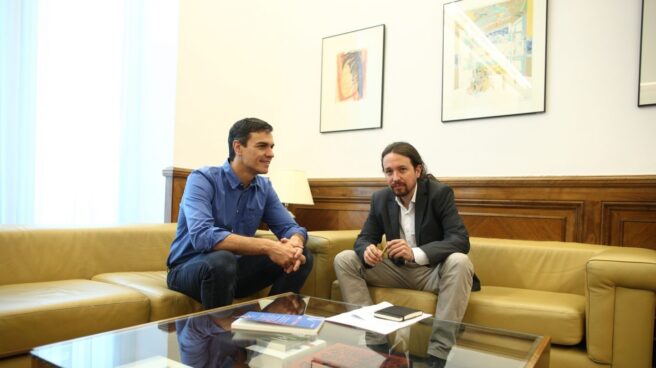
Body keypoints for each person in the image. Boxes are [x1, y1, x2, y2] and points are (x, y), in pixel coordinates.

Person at [333, 141, 480, 366]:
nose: (395, 178)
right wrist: (368, 250)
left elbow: (460, 240)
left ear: (418, 170)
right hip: (397, 271)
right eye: (389, 171)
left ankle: (438, 356)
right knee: (345, 259)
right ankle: (376, 344)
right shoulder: (381, 198)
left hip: (432, 272)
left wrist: (415, 253)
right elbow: (363, 239)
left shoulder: (439, 193)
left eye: (402, 170)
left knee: (460, 261)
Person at [167, 117, 313, 309]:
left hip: (233, 271)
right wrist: (268, 247)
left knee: (302, 257)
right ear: (238, 147)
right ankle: (217, 336)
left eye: (271, 147)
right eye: (262, 146)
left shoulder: (264, 187)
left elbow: (290, 227)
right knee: (222, 260)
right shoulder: (202, 179)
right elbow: (202, 236)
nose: (271, 154)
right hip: (189, 269)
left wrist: (295, 243)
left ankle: (271, 326)